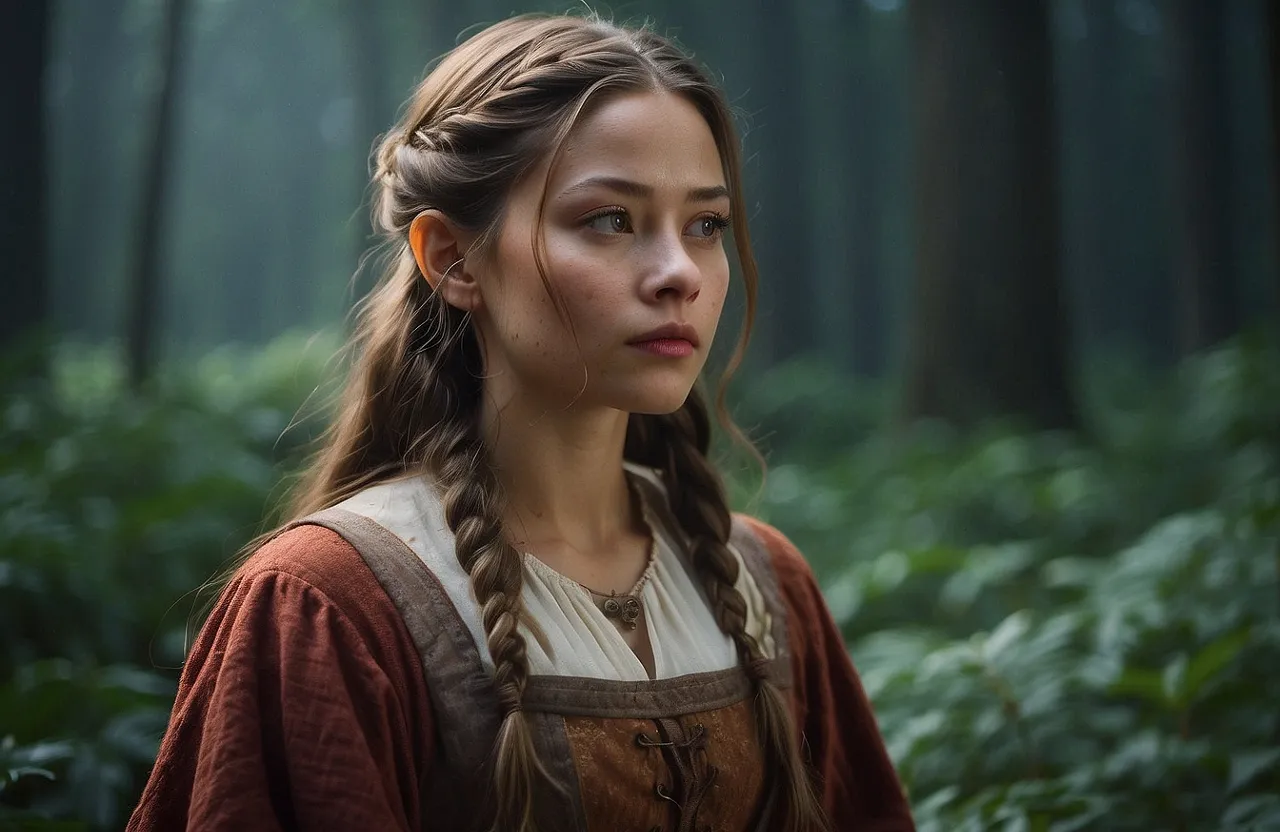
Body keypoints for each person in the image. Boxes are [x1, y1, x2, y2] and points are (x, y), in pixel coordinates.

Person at [127, 13, 914, 832]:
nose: (680, 272)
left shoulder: (766, 584)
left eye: (705, 225)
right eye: (611, 219)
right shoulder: (332, 605)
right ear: (454, 260)